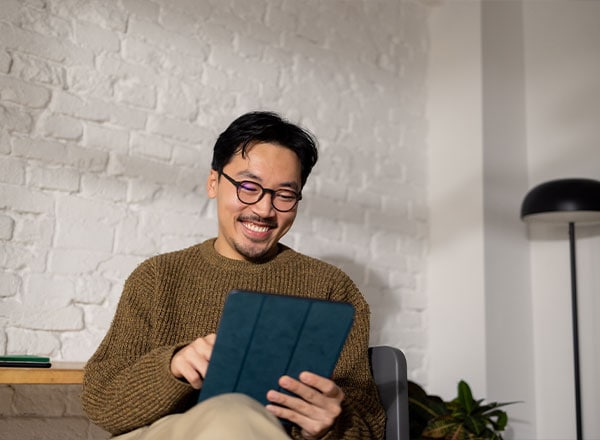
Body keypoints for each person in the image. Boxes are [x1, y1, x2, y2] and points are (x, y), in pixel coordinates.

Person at [81, 111, 386, 439]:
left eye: (284, 195)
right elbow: (102, 404)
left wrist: (332, 426)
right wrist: (172, 366)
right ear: (214, 182)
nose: (264, 209)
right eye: (248, 186)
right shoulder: (157, 277)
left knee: (237, 414)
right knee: (232, 412)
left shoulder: (332, 288)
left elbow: (370, 423)